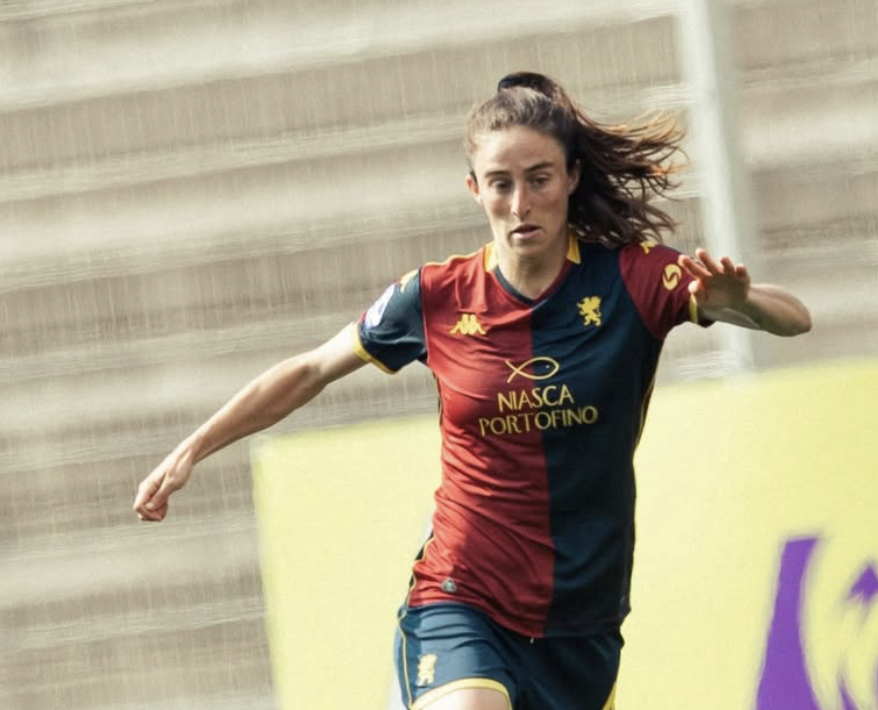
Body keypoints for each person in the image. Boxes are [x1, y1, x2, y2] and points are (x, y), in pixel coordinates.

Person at [134, 71, 811, 710]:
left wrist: (742, 302)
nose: (520, 204)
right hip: (463, 595)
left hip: (583, 619)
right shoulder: (434, 297)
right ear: (474, 189)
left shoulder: (632, 281)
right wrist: (193, 448)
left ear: (572, 177)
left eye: (539, 179)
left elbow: (794, 318)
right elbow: (312, 369)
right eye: (500, 184)